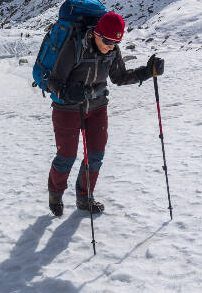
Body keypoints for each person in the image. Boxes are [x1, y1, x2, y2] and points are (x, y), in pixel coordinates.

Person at [45, 12, 164, 216]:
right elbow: (52, 81)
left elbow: (120, 77)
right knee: (66, 156)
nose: (111, 46)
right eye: (108, 41)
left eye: (116, 42)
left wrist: (148, 71)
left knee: (96, 155)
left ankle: (84, 197)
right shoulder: (74, 47)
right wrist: (66, 92)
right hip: (68, 109)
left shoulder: (112, 50)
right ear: (96, 34)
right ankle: (55, 194)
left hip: (98, 107)